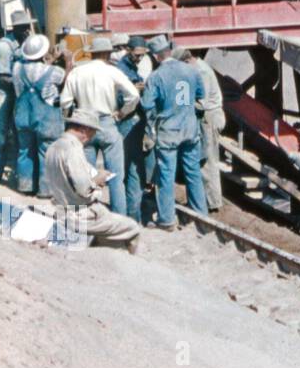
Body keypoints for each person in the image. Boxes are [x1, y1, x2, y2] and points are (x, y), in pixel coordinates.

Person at [60, 35, 139, 215]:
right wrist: (122, 113)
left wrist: (70, 119)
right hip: (107, 122)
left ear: (92, 54)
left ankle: (86, 215)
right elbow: (133, 95)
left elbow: (65, 102)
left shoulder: (77, 72)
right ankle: (120, 219)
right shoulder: (112, 72)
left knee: (85, 177)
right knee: (116, 178)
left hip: (84, 125)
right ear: (108, 53)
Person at [46, 108, 140, 251]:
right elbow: (83, 188)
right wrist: (98, 178)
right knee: (132, 228)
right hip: (78, 215)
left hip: (60, 208)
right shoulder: (73, 149)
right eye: (93, 131)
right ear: (84, 129)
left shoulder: (54, 146)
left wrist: (93, 175)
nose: (93, 136)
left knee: (108, 219)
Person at [142, 35, 205, 230]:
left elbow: (146, 104)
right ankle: (201, 216)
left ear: (155, 56)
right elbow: (199, 96)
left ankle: (167, 219)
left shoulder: (156, 76)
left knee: (166, 175)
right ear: (169, 51)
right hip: (190, 128)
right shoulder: (191, 70)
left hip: (169, 131)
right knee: (193, 172)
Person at [12, 34, 65, 197]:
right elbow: (64, 78)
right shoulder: (55, 70)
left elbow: (33, 71)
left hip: (23, 115)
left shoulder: (16, 68)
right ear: (43, 54)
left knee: (25, 150)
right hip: (46, 118)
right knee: (46, 151)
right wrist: (66, 61)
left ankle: (25, 185)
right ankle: (46, 189)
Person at [177, 48, 224, 211]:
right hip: (204, 115)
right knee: (203, 160)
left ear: (187, 61)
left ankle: (212, 203)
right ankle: (205, 201)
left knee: (207, 161)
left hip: (208, 116)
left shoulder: (201, 71)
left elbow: (200, 102)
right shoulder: (196, 68)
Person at [0, 11, 32, 182]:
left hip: (16, 92)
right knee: (0, 133)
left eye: (28, 28)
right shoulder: (4, 48)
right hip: (3, 94)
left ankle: (14, 169)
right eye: (24, 28)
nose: (27, 31)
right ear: (15, 28)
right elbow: (3, 76)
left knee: (18, 132)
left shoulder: (21, 43)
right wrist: (23, 83)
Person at [115, 35, 153, 222]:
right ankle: (130, 215)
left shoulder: (130, 67)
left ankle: (132, 214)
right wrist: (135, 90)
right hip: (127, 123)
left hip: (132, 122)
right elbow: (121, 98)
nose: (139, 58)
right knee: (131, 169)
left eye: (142, 55)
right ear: (128, 50)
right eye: (137, 55)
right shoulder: (121, 70)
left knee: (132, 169)